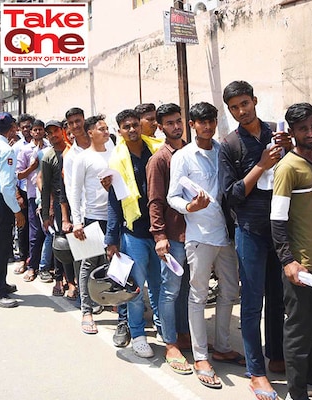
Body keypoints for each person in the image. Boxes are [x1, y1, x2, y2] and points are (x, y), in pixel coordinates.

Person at [219, 80, 290, 399]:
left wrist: (289, 148)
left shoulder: (276, 131)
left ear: (255, 100)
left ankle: (277, 356)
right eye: (234, 107)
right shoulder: (230, 144)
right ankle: (256, 371)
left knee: (279, 296)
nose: (240, 111)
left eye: (244, 104)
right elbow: (230, 195)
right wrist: (261, 165)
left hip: (282, 226)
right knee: (252, 301)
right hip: (250, 229)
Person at [168, 102, 243, 388]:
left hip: (225, 234)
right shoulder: (183, 157)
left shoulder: (223, 151)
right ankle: (200, 356)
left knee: (230, 292)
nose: (207, 126)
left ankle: (222, 346)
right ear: (193, 125)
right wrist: (190, 207)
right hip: (199, 236)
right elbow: (172, 197)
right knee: (198, 296)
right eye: (201, 122)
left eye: (211, 121)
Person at [270, 103, 312, 400]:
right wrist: (288, 260)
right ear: (292, 132)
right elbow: (277, 218)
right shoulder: (288, 167)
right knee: (298, 333)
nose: (311, 133)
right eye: (303, 129)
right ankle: (296, 393)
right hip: (302, 267)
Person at [105, 109, 163, 358]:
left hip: (160, 231)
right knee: (136, 289)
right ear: (120, 131)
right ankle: (138, 334)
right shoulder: (116, 160)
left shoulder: (157, 149)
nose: (131, 130)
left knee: (161, 286)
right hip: (134, 232)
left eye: (134, 125)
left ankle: (163, 328)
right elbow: (114, 202)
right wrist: (111, 239)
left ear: (140, 126)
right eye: (125, 127)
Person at [146, 103, 191, 373]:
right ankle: (170, 343)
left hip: (194, 233)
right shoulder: (159, 159)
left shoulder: (191, 151)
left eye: (178, 121)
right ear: (161, 128)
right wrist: (160, 235)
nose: (176, 126)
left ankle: (184, 333)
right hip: (172, 236)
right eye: (170, 123)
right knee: (170, 290)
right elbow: (155, 201)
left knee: (187, 289)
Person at [69, 114, 113, 335]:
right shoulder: (82, 158)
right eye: (101, 129)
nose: (106, 132)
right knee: (88, 263)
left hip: (115, 216)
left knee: (112, 261)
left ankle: (112, 299)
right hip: (92, 217)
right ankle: (87, 311)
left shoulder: (115, 153)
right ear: (90, 133)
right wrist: (77, 221)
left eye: (107, 128)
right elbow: (74, 191)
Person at [40, 120, 76, 299]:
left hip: (77, 204)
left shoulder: (74, 151)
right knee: (62, 244)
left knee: (78, 244)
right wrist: (46, 214)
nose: (53, 135)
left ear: (63, 131)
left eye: (56, 131)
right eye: (49, 133)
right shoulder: (48, 157)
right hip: (59, 205)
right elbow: (45, 187)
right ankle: (64, 281)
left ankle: (75, 281)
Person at [0, 112, 25, 308]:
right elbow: (7, 187)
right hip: (1, 202)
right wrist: (17, 211)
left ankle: (1, 284)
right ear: (11, 128)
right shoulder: (6, 150)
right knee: (2, 247)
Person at [16, 119, 49, 282]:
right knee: (34, 233)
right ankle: (32, 267)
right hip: (32, 195)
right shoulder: (25, 150)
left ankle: (47, 267)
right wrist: (33, 167)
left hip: (49, 195)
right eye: (34, 130)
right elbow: (18, 175)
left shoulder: (49, 148)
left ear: (43, 131)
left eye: (39, 129)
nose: (36, 132)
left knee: (48, 232)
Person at [12, 113, 34, 274]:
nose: (26, 129)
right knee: (22, 226)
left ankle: (34, 260)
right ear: (19, 129)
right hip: (21, 192)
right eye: (23, 127)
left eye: (29, 126)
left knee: (36, 229)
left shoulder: (44, 144)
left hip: (38, 193)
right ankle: (22, 258)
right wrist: (18, 196)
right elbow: (12, 175)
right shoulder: (16, 148)